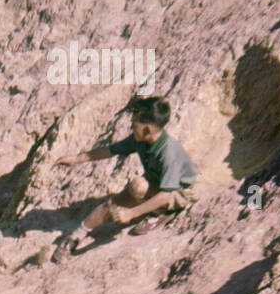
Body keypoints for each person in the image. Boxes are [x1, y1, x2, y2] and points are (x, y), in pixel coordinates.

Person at [53, 95, 198, 261]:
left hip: (178, 192)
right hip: (156, 183)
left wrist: (132, 213)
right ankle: (75, 237)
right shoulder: (141, 141)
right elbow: (110, 150)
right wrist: (76, 159)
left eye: (134, 124)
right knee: (111, 204)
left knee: (139, 186)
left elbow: (166, 194)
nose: (131, 127)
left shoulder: (169, 152)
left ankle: (162, 212)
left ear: (147, 130)